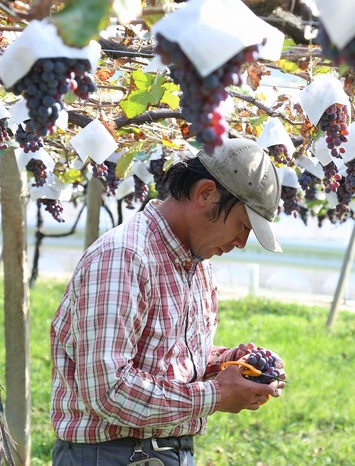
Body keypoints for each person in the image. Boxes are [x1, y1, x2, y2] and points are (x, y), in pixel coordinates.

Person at [50, 138, 287, 466]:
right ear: (206, 194)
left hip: (165, 452)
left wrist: (228, 364)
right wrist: (216, 395)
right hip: (110, 456)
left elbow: (166, 360)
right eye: (242, 226)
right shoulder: (124, 257)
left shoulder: (196, 264)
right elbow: (108, 391)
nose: (242, 242)